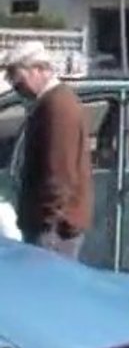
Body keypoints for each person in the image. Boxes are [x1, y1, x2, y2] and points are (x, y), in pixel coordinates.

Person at [2, 41, 93, 259]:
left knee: (49, 286)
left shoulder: (57, 106)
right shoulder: (50, 102)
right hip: (51, 224)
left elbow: (59, 172)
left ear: (38, 70)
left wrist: (48, 223)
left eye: (16, 75)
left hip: (54, 229)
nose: (14, 83)